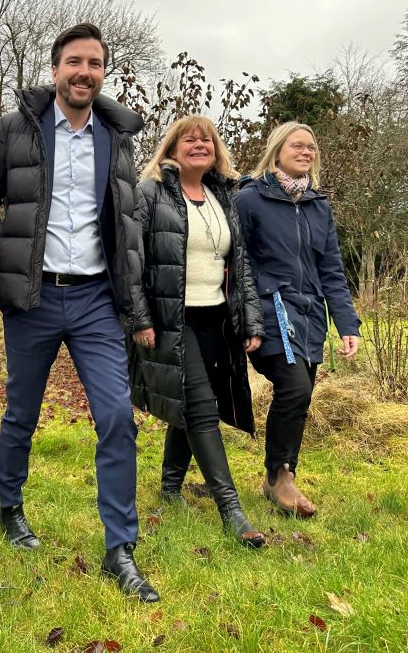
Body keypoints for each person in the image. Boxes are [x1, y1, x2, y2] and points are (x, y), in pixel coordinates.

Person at [0, 22, 159, 602]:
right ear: (55, 69)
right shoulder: (14, 130)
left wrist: (134, 299)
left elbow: (128, 225)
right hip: (31, 297)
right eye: (74, 62)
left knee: (116, 416)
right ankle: (10, 508)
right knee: (21, 411)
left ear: (103, 73)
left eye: (95, 64)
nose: (84, 72)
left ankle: (119, 548)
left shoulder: (117, 138)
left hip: (96, 301)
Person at [128, 115, 267, 548]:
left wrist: (250, 320)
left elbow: (239, 264)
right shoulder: (150, 192)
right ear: (172, 147)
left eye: (206, 139)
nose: (199, 144)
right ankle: (231, 510)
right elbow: (131, 260)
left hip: (216, 318)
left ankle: (170, 486)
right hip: (173, 319)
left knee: (190, 400)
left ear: (215, 150)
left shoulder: (223, 194)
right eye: (189, 138)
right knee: (202, 404)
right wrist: (139, 317)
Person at [234, 121, 360, 518]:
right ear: (277, 150)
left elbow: (332, 270)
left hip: (309, 316)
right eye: (298, 146)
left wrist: (347, 324)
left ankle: (282, 473)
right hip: (269, 312)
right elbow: (237, 263)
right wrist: (249, 316)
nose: (307, 152)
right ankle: (279, 478)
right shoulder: (251, 199)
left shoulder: (318, 205)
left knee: (301, 392)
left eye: (312, 147)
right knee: (293, 388)